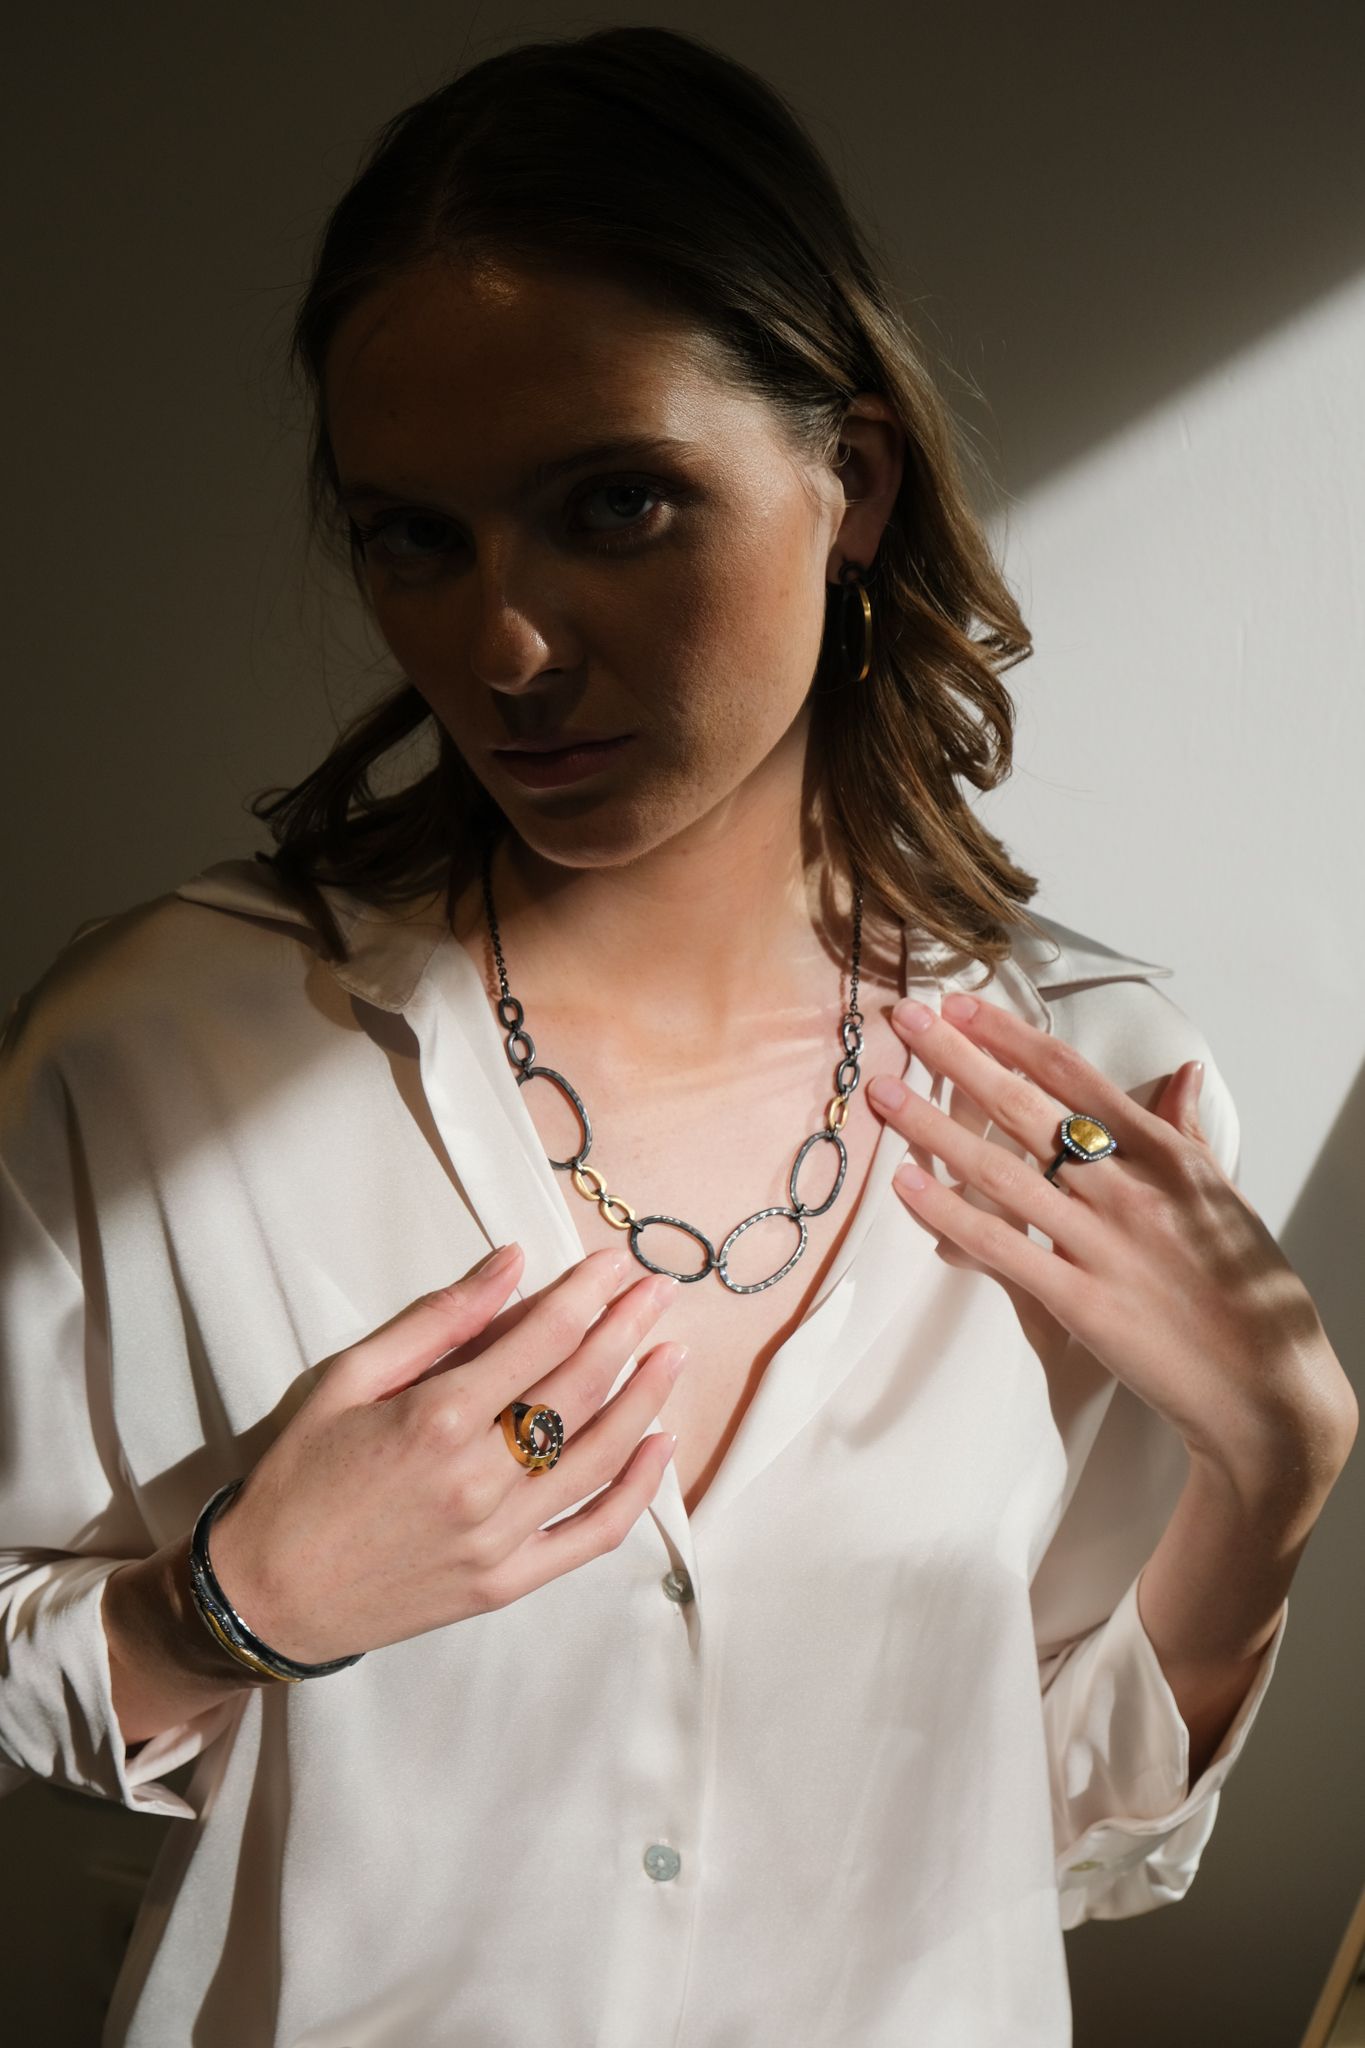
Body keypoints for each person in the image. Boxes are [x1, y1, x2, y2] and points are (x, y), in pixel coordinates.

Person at [0, 24, 1354, 2048]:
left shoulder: (1093, 1090)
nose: (506, 647)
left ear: (850, 482)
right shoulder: (163, 1058)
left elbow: (1047, 1829)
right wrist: (227, 1608)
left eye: (613, 504)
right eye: (413, 538)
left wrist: (1270, 1471)